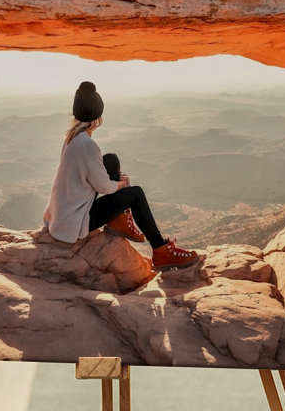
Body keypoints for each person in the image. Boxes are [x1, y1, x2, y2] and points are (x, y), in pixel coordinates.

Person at [42, 81, 199, 271]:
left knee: (110, 159)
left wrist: (114, 179)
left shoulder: (72, 137)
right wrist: (122, 184)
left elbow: (93, 174)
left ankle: (119, 221)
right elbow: (105, 188)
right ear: (97, 116)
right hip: (75, 222)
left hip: (64, 215)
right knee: (136, 193)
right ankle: (161, 250)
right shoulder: (87, 145)